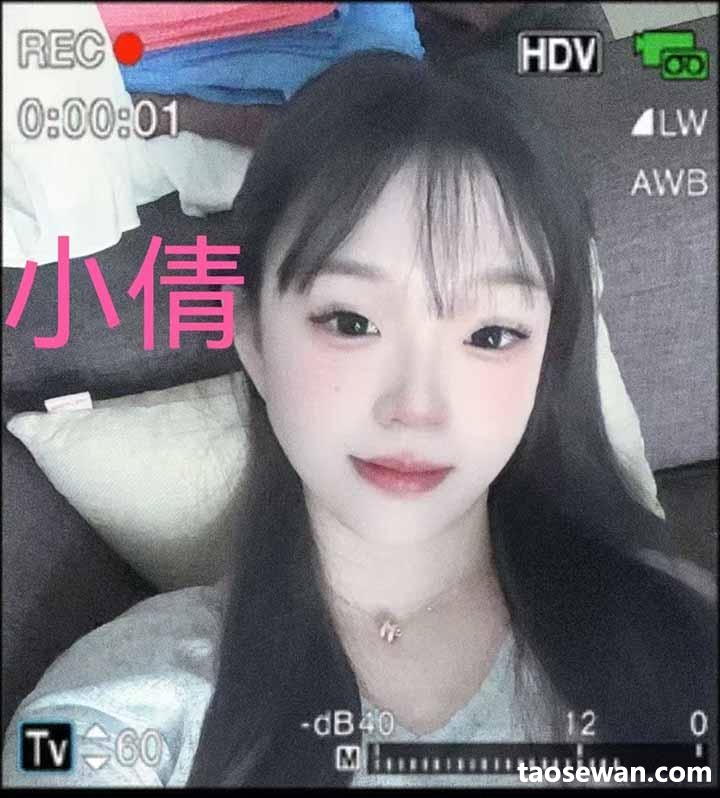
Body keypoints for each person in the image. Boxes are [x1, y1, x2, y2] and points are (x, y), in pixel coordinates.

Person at [3, 51, 715, 789]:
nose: (416, 406)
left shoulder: (679, 640)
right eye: (351, 321)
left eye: (492, 334)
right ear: (253, 339)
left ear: (547, 361)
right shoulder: (120, 709)